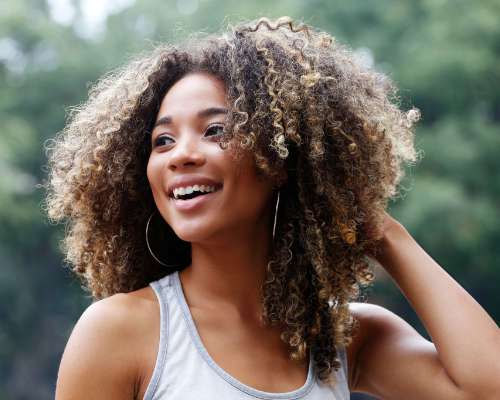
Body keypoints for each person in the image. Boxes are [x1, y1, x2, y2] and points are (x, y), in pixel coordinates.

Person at [45, 16, 500, 400]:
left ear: (279, 158)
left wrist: (386, 236)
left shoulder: (343, 338)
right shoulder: (120, 331)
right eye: (162, 140)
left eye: (215, 130)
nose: (180, 154)